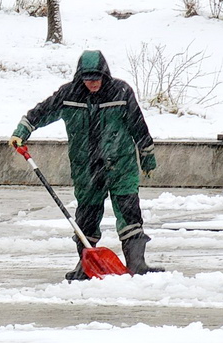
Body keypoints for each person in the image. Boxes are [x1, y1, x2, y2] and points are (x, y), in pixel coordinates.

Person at [9, 50, 164, 281]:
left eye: (97, 78)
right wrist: (22, 131)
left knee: (129, 212)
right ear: (80, 77)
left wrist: (147, 154)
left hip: (120, 165)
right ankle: (87, 264)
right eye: (88, 79)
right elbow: (40, 112)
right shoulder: (69, 94)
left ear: (105, 75)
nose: (93, 83)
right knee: (87, 217)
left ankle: (136, 263)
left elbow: (137, 125)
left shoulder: (121, 92)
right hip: (87, 167)